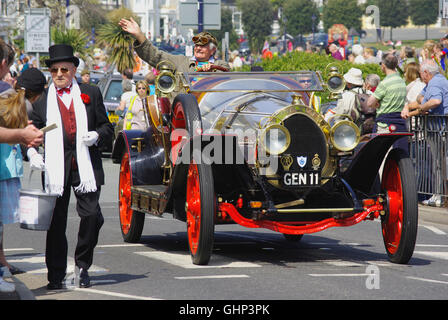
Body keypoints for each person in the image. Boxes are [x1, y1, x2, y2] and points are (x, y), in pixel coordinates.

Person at [27, 44, 113, 290]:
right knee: (56, 223)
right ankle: (55, 275)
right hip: (56, 169)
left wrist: (96, 135)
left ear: (74, 69)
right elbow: (31, 132)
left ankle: (83, 265)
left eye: (64, 69)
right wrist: (31, 151)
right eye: (54, 70)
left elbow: (108, 128)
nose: (59, 74)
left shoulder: (91, 93)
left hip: (85, 167)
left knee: (91, 217)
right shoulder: (42, 101)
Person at [119, 17, 230, 73]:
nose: (198, 48)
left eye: (203, 45)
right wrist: (139, 35)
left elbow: (225, 76)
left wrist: (210, 70)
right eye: (196, 45)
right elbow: (156, 56)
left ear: (213, 50)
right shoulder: (181, 62)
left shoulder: (220, 65)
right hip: (183, 114)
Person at [367, 53, 408, 154]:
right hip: (400, 123)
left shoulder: (384, 83)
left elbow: (370, 103)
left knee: (380, 156)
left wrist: (376, 104)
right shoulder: (401, 81)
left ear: (383, 66)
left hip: (385, 124)